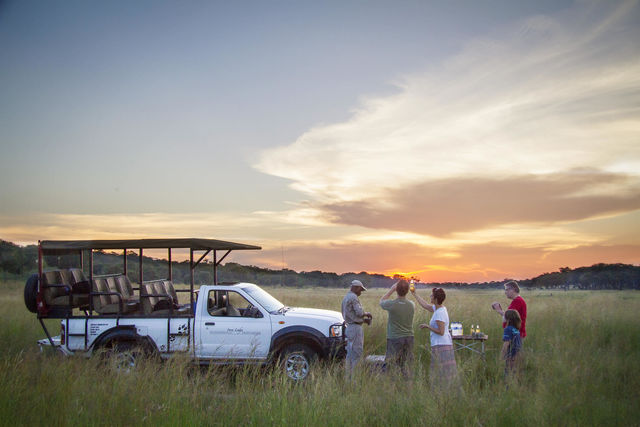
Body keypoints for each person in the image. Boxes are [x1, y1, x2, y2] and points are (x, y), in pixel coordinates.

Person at [411, 287, 458, 390]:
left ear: (436, 299)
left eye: (432, 295)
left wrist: (428, 327)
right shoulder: (438, 309)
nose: (430, 296)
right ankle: (441, 391)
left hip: (442, 345)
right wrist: (415, 294)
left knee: (442, 371)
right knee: (441, 371)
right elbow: (426, 306)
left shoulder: (440, 313)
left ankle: (442, 391)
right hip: (440, 344)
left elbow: (441, 332)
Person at [379, 279, 415, 378]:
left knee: (390, 364)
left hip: (395, 337)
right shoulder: (412, 305)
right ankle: (407, 385)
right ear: (407, 291)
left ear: (397, 290)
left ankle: (391, 385)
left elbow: (381, 301)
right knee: (406, 364)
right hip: (409, 337)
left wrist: (391, 290)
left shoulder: (392, 304)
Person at [341, 279, 372, 379]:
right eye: (360, 290)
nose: (361, 292)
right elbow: (359, 312)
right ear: (356, 288)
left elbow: (351, 316)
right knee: (357, 354)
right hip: (355, 329)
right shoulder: (353, 297)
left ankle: (348, 378)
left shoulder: (346, 297)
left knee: (349, 354)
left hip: (349, 327)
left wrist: (363, 321)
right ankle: (355, 379)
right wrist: (366, 314)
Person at [501, 309, 523, 379]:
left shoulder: (508, 329)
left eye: (504, 316)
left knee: (508, 375)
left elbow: (506, 344)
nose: (503, 317)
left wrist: (501, 356)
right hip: (517, 355)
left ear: (509, 319)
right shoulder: (515, 329)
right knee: (514, 374)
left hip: (511, 356)